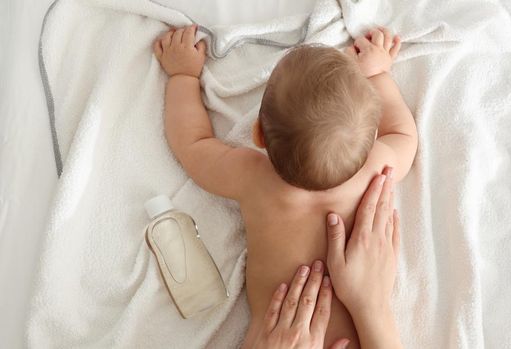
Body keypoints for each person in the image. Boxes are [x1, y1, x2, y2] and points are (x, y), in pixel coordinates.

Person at [153, 23, 417, 347]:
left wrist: (183, 77)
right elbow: (404, 134)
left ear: (259, 134)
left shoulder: (252, 177)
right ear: (370, 135)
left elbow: (191, 144)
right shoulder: (379, 166)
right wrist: (377, 75)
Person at [250, 170, 403, 349]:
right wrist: (375, 306)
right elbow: (406, 143)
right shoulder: (373, 169)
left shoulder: (256, 176)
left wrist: (373, 306)